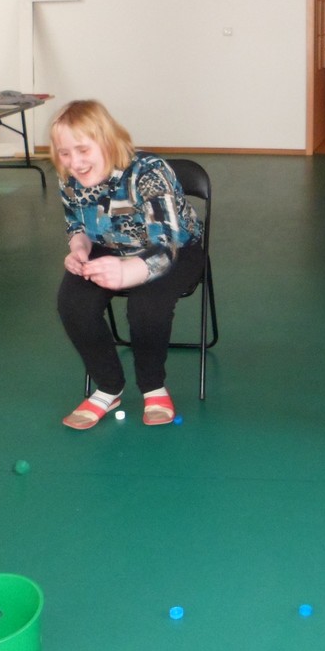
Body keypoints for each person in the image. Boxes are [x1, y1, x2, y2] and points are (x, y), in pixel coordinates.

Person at [50, 100, 204, 430]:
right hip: (108, 246)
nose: (74, 162)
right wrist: (79, 247)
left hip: (175, 249)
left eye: (82, 150)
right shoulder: (69, 177)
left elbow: (166, 244)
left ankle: (153, 386)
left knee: (147, 306)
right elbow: (76, 224)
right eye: (64, 153)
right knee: (72, 303)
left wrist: (128, 271)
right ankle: (109, 387)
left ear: (107, 140)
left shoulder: (148, 172)